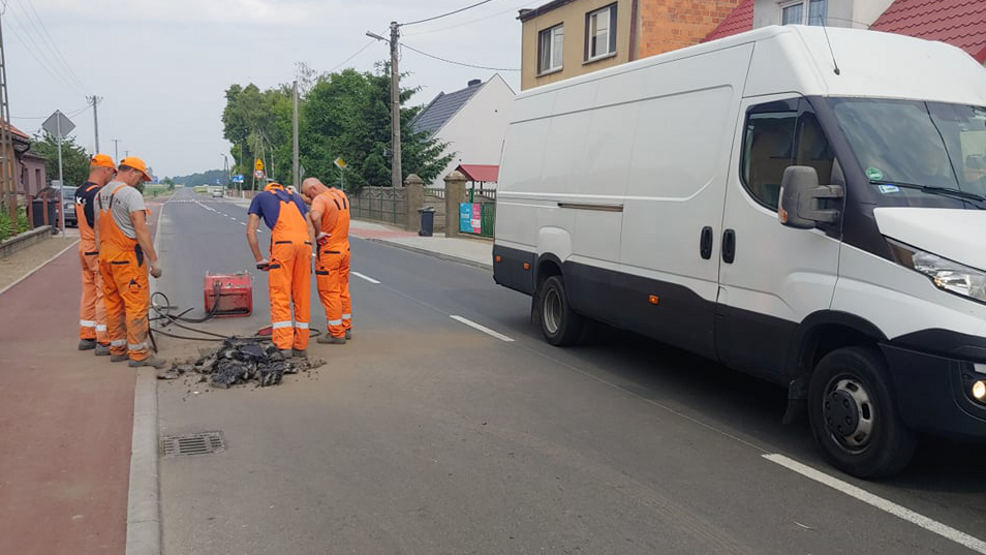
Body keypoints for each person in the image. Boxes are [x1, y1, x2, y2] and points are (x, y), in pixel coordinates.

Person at [96, 156, 166, 369]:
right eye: (140, 177)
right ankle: (138, 354)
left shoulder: (100, 194)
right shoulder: (131, 194)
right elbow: (140, 229)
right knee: (136, 304)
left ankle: (117, 348)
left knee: (113, 303)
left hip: (106, 256)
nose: (139, 181)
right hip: (126, 258)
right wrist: (154, 260)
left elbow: (97, 228)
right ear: (132, 172)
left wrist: (101, 255)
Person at [246, 182, 315, 358]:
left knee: (280, 294)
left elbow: (251, 232)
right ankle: (300, 345)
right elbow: (309, 227)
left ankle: (284, 346)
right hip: (305, 245)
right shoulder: (296, 198)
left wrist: (259, 258)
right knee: (301, 295)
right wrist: (308, 253)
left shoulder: (261, 197)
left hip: (283, 246)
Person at [301, 178, 352, 344]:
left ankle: (336, 334)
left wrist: (318, 233)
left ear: (314, 189)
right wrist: (299, 196)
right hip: (344, 250)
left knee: (330, 293)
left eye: (309, 194)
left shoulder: (320, 200)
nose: (309, 198)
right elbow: (318, 201)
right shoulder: (339, 195)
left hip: (329, 253)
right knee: (342, 290)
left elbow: (315, 215)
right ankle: (346, 326)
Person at [76, 154, 116, 355]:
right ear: (105, 170)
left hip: (83, 246)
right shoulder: (98, 194)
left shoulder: (81, 191)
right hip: (95, 246)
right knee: (103, 292)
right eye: (112, 172)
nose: (112, 177)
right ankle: (104, 339)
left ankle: (87, 335)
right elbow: (98, 224)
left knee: (89, 291)